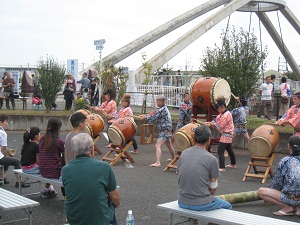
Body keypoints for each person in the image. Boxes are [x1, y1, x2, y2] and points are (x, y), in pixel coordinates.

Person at [177, 125, 232, 225]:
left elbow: (182, 175)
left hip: (182, 201)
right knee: (227, 206)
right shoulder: (211, 159)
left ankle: (194, 222)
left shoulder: (184, 153)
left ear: (194, 138)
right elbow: (213, 187)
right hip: (201, 202)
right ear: (209, 140)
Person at [62, 133, 120, 225]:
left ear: (73, 152)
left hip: (74, 219)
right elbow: (115, 198)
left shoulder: (65, 170)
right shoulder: (104, 167)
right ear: (92, 150)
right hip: (100, 220)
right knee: (110, 204)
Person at [258, 135, 300, 216]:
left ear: (288, 146)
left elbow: (276, 184)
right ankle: (299, 208)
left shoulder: (285, 161)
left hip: (290, 198)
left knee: (261, 192)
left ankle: (287, 207)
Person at [139, 95, 175, 167]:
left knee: (158, 145)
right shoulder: (162, 108)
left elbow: (154, 116)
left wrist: (145, 117)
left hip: (165, 130)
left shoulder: (163, 109)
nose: (156, 101)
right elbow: (153, 113)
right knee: (169, 145)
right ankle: (173, 158)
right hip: (167, 130)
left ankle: (158, 162)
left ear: (161, 101)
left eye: (157, 100)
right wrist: (145, 115)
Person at [205, 96, 236, 172]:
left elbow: (220, 125)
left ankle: (222, 167)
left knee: (220, 150)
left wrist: (211, 124)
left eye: (218, 108)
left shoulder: (226, 115)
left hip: (226, 133)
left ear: (222, 107)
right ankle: (233, 163)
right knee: (229, 149)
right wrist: (210, 123)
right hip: (228, 133)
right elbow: (216, 119)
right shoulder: (223, 113)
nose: (218, 110)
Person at [0, 114, 30, 188]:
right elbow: (3, 148)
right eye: (6, 122)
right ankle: (18, 182)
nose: (7, 124)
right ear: (0, 122)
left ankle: (1, 177)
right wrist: (5, 155)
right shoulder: (3, 133)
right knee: (16, 161)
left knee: (6, 159)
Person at [39, 118, 64, 197]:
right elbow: (65, 153)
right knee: (64, 166)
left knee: (50, 162)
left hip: (42, 169)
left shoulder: (42, 139)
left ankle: (48, 188)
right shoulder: (59, 141)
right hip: (53, 171)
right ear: (58, 129)